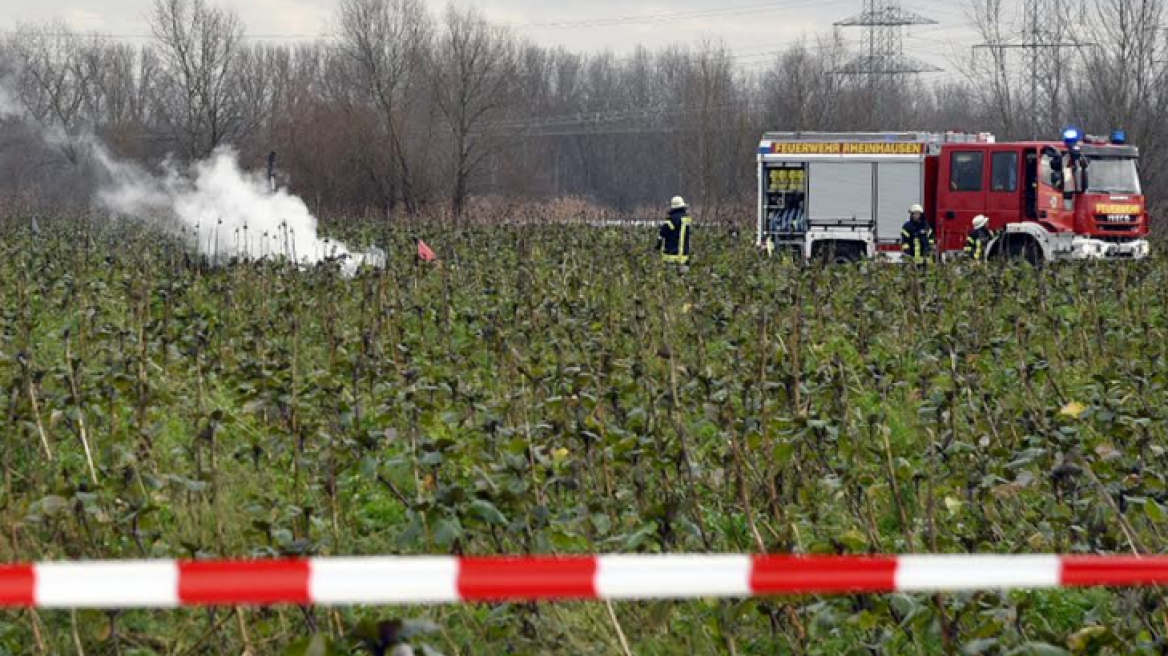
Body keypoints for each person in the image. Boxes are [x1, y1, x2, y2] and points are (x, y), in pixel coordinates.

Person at [657, 196, 693, 265]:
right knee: (684, 275)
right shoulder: (687, 220)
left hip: (670, 257)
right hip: (684, 257)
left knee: (670, 275)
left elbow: (661, 235)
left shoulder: (670, 220)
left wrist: (657, 246)